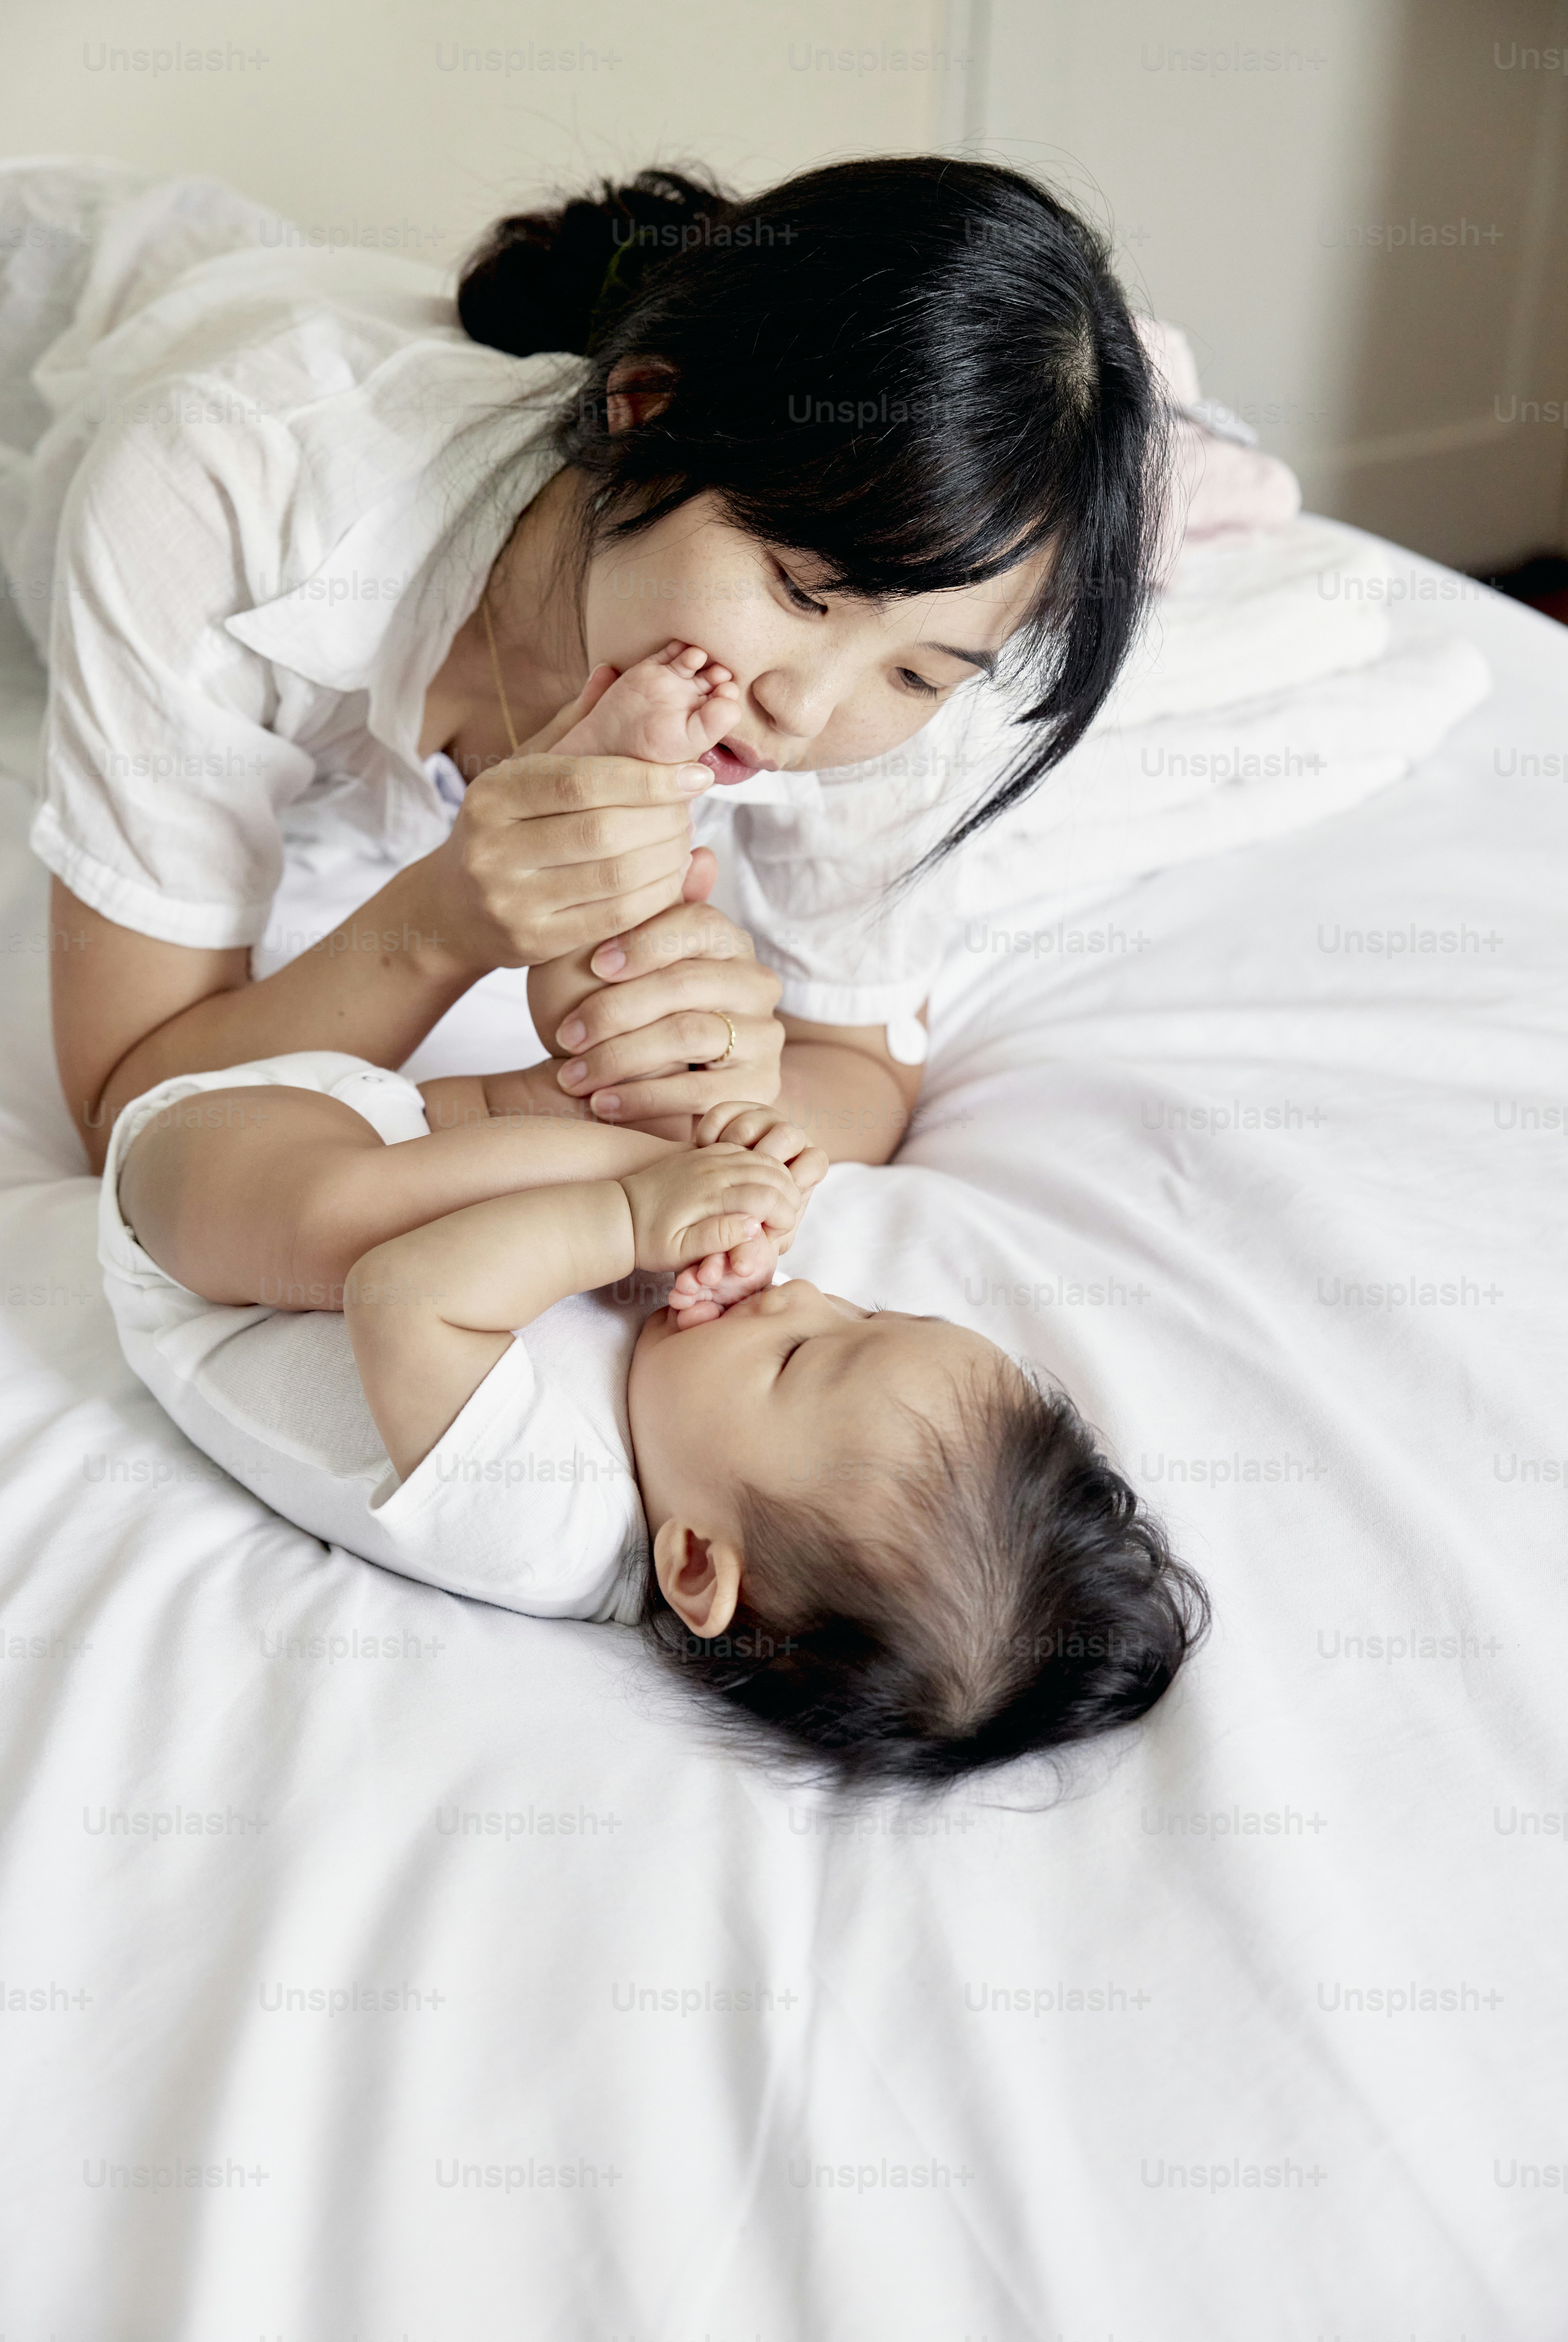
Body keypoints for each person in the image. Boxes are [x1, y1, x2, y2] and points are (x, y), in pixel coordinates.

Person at [98, 634, 1207, 1787]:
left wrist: (635, 1221)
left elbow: (409, 1289)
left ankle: (593, 835)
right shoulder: (690, 1426)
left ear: (693, 1565)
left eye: (796, 1359)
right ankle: (615, 801)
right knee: (675, 1096)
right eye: (860, 1314)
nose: (808, 1295)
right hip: (403, 1135)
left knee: (371, 1222)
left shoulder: (548, 1528)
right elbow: (578, 1247)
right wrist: (726, 1161)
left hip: (204, 1221)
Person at [0, 154, 1166, 1172]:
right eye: (799, 592)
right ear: (643, 411)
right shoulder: (220, 490)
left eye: (918, 676)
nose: (804, 711)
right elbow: (130, 1108)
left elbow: (854, 1068)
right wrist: (441, 926)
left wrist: (723, 1107)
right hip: (59, 316)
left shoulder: (932, 601)